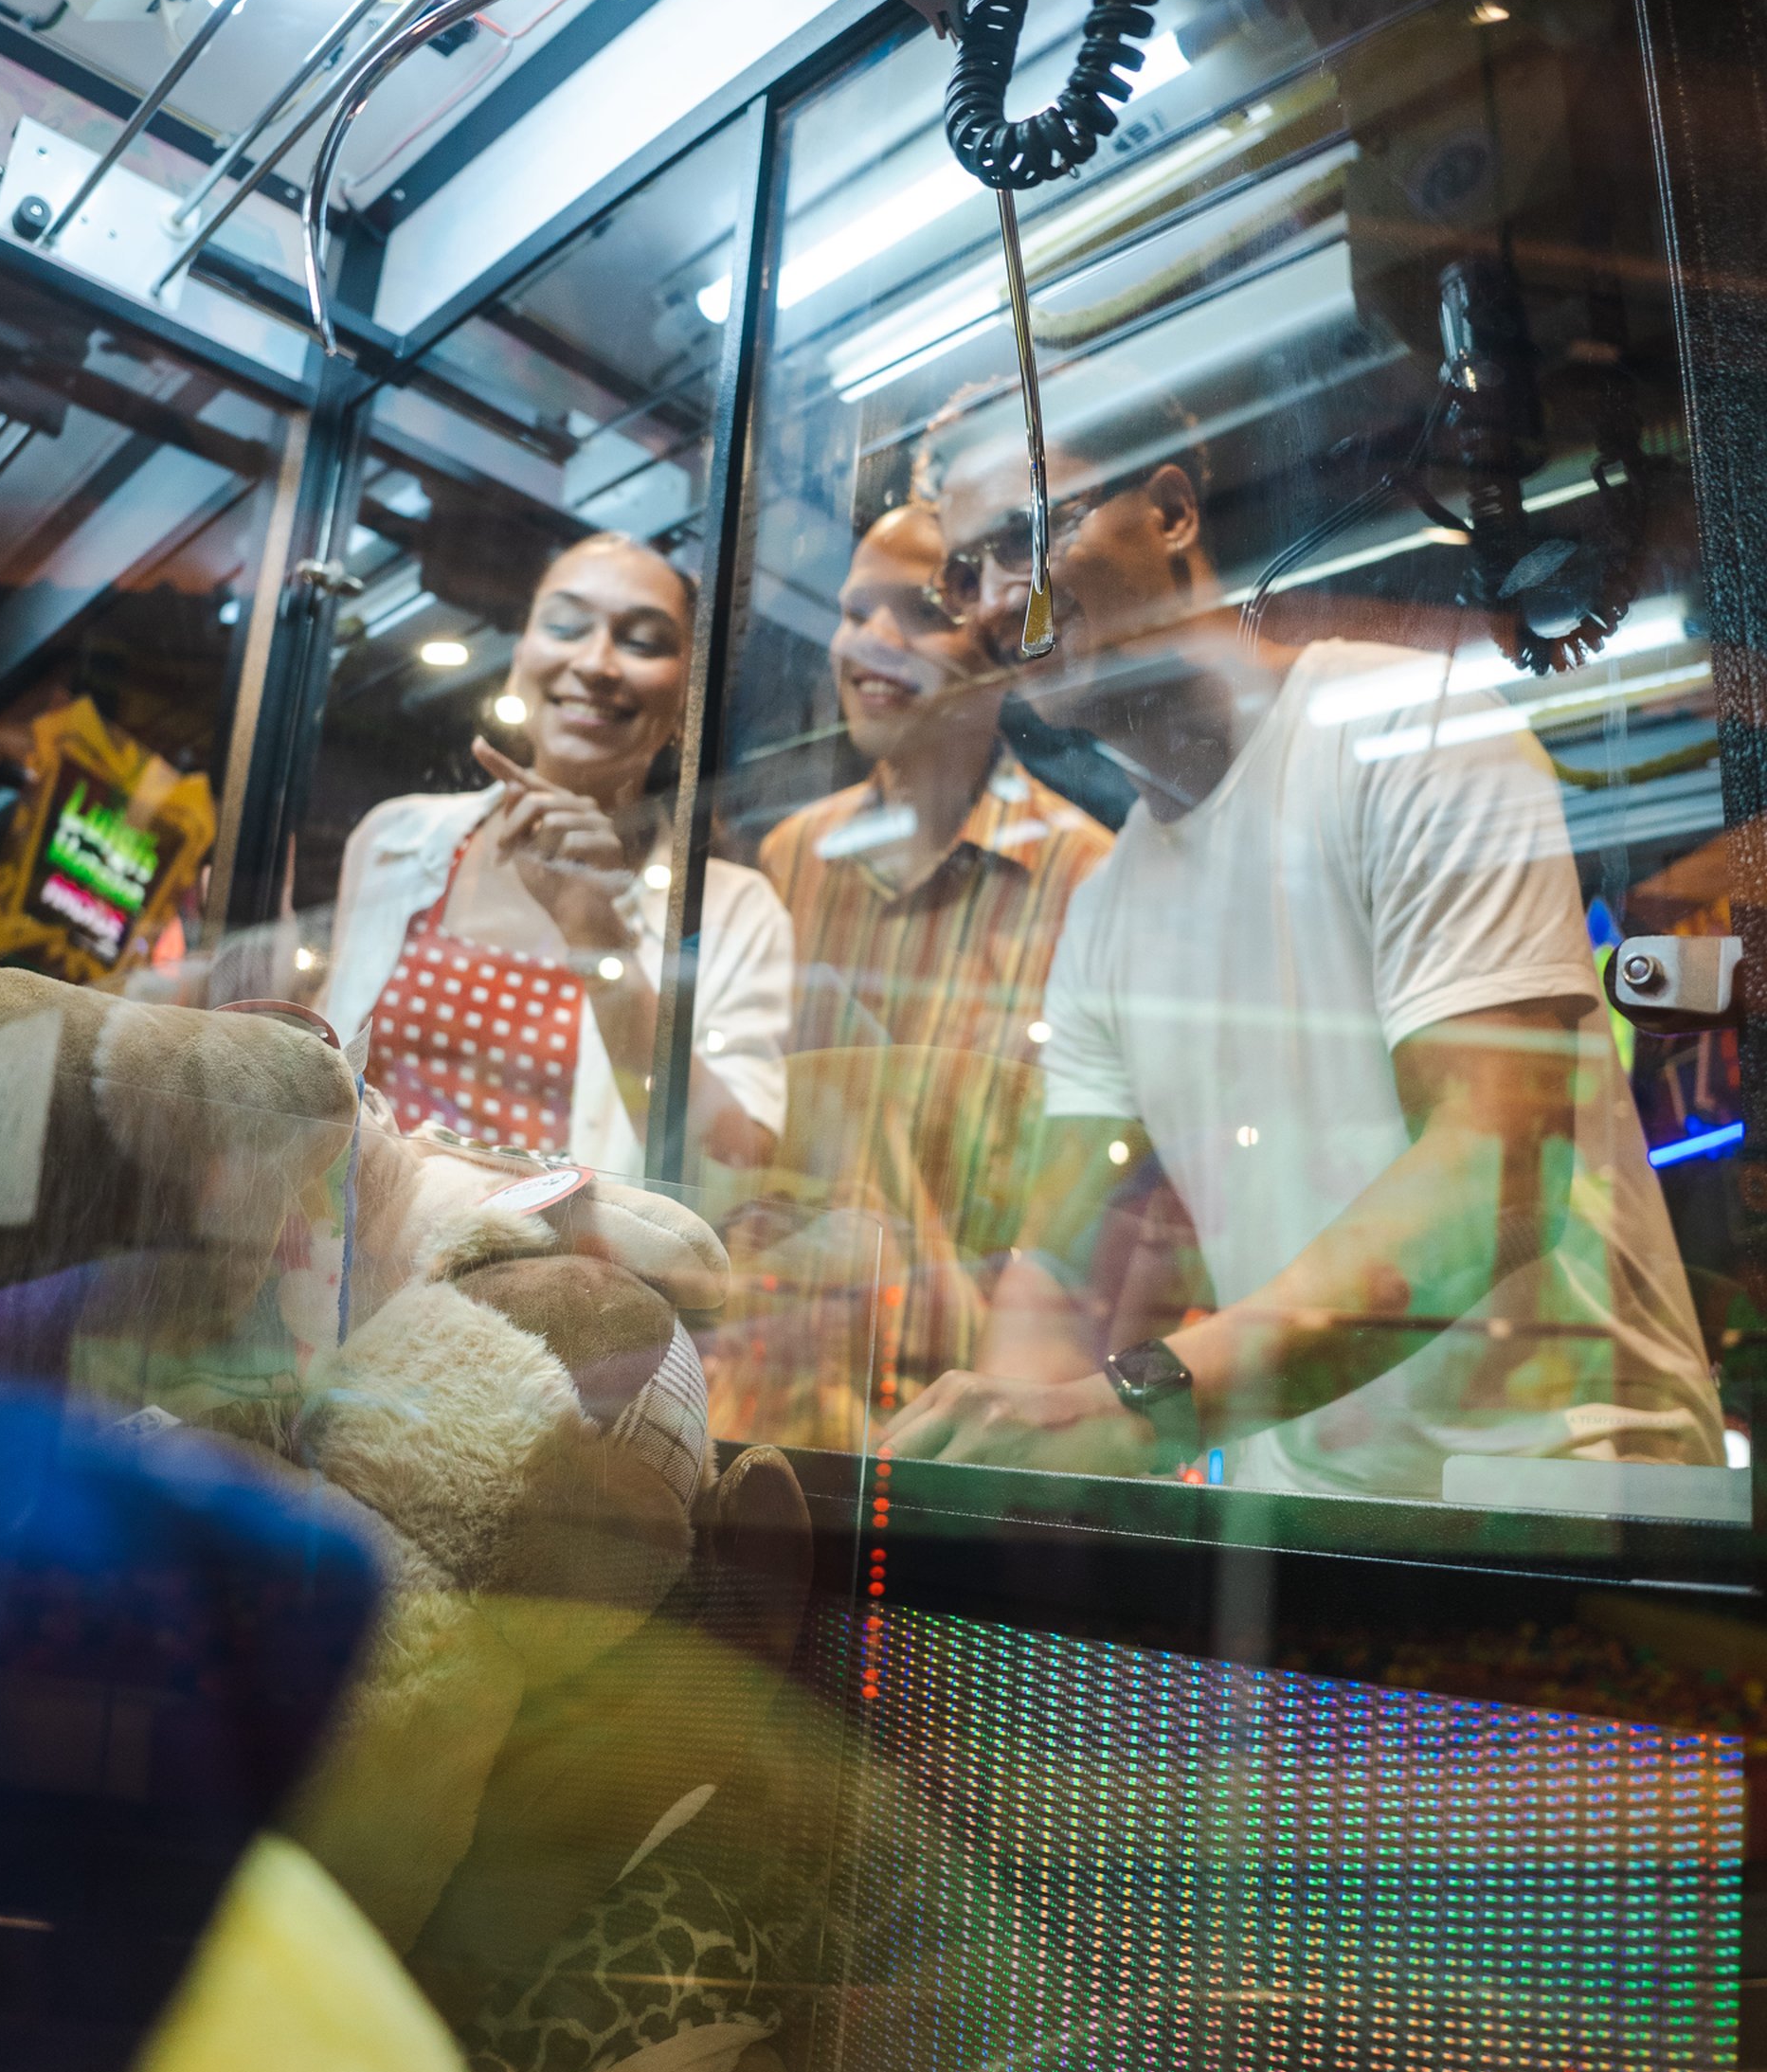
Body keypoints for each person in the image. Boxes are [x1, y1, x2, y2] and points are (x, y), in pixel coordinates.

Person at [889, 414, 1724, 1498]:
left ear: (1172, 511)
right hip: (1305, 1525)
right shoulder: (1102, 913)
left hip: (1567, 1496)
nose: (1000, 598)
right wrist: (976, 1462)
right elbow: (1068, 1275)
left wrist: (1137, 1408)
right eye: (962, 576)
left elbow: (1494, 1176)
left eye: (1025, 536)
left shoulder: (1407, 731)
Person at [751, 500, 1111, 1415]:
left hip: (962, 1414)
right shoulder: (794, 858)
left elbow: (1090, 1215)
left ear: (998, 630)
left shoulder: (1086, 877)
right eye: (853, 611)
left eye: (920, 611)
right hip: (775, 1390)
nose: (871, 641)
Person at [322, 532, 790, 1180]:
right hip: (352, 1237)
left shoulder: (734, 911)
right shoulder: (394, 840)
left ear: (689, 693)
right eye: (566, 627)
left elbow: (731, 1170)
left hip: (564, 1249)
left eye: (643, 642)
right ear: (520, 660)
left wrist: (600, 939)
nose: (596, 663)